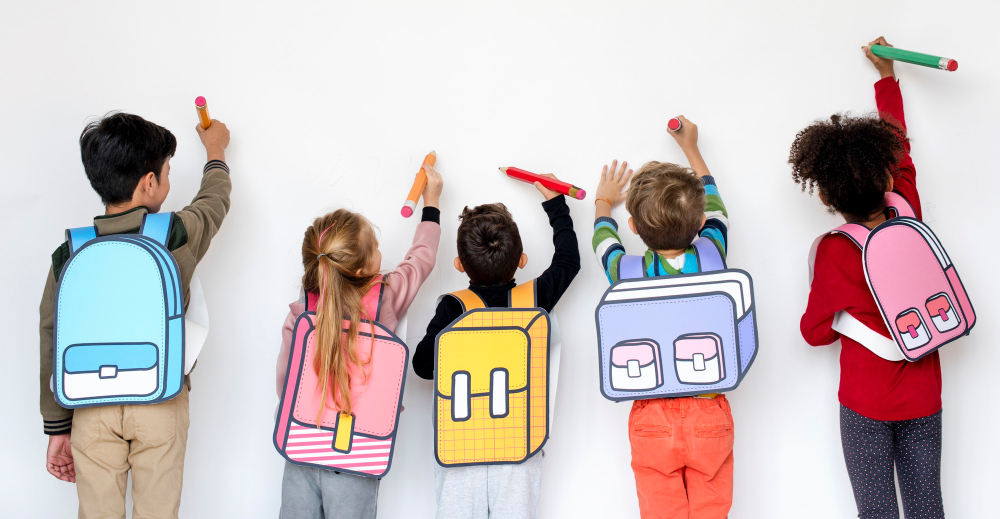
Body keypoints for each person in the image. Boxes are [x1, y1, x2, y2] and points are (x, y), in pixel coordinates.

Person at [41, 112, 232, 518]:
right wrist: (216, 151)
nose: (167, 181)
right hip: (160, 400)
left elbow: (50, 335)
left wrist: (58, 426)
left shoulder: (70, 252)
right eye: (165, 172)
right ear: (149, 183)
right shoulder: (175, 234)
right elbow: (214, 202)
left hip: (91, 406)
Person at [793, 36, 944, 519]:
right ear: (886, 179)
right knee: (927, 507)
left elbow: (814, 334)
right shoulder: (908, 210)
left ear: (824, 199)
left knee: (876, 512)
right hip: (925, 395)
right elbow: (900, 145)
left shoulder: (835, 252)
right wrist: (885, 77)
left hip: (864, 405)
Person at [275, 166, 443, 519]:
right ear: (367, 268)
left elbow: (284, 386)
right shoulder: (387, 296)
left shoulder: (302, 312)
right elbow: (421, 259)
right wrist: (432, 203)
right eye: (377, 247)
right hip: (358, 450)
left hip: (303, 447)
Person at [591, 116, 733, 518]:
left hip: (652, 412)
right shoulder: (712, 255)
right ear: (701, 223)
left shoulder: (627, 272)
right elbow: (718, 208)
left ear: (634, 227)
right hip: (709, 408)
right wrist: (691, 149)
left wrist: (603, 203)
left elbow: (604, 242)